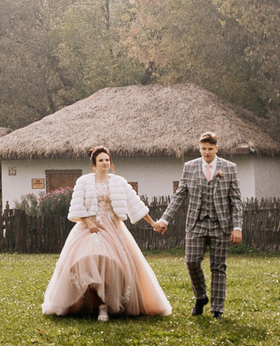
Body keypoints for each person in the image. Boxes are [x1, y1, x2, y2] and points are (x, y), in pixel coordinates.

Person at [40, 147, 173, 320]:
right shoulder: (83, 181)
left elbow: (135, 204)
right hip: (88, 228)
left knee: (113, 264)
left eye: (107, 160)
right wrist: (88, 222)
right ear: (94, 165)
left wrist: (153, 222)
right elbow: (77, 206)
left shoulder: (119, 182)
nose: (105, 163)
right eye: (101, 160)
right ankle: (97, 304)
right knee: (88, 259)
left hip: (113, 228)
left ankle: (108, 304)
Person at [175, 131, 242, 318]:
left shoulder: (229, 168)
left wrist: (237, 227)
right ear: (199, 148)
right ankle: (201, 296)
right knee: (191, 261)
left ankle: (217, 310)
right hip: (196, 223)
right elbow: (180, 195)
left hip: (221, 225)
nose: (206, 152)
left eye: (210, 149)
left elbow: (236, 200)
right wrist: (164, 219)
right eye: (203, 149)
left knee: (218, 267)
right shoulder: (189, 167)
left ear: (217, 148)